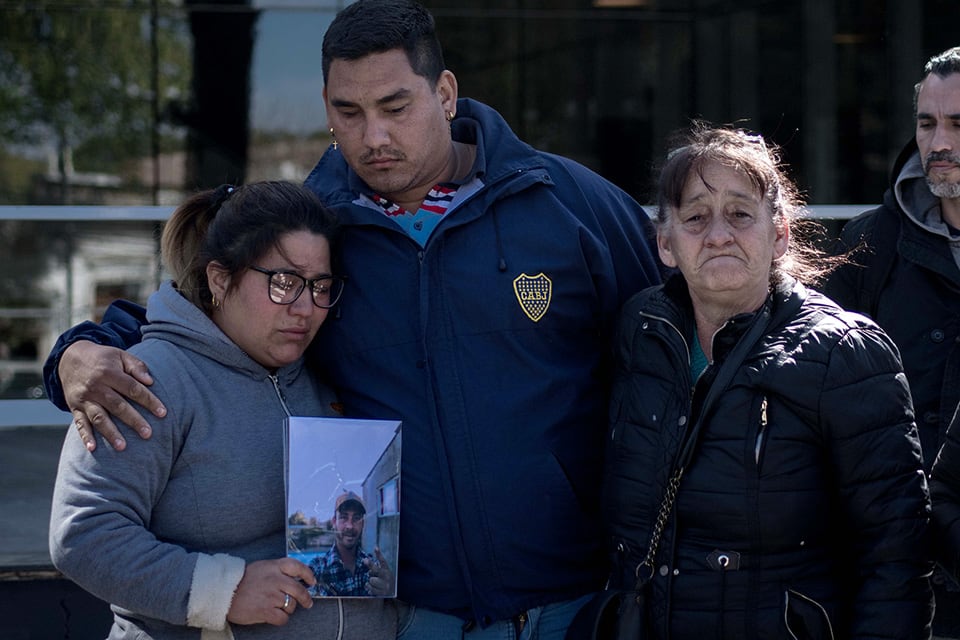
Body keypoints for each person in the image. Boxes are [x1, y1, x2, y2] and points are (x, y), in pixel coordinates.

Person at [41, 0, 663, 637]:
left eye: (395, 108)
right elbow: (204, 309)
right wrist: (76, 352)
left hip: (576, 602)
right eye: (348, 113)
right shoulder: (315, 223)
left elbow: (674, 337)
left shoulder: (571, 204)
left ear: (444, 93)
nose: (373, 138)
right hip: (416, 616)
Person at [602, 124, 932, 638]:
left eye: (740, 214)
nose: (718, 235)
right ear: (665, 243)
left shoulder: (845, 354)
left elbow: (895, 560)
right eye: (695, 218)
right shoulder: (639, 331)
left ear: (778, 233)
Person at [48, 181, 397, 639]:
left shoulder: (329, 367)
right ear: (219, 279)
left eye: (320, 286)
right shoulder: (145, 378)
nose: (305, 308)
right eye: (284, 283)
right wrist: (223, 590)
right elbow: (84, 533)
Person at [820, 45, 960, 636]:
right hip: (893, 569)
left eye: (958, 124)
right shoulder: (867, 246)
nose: (939, 142)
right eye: (927, 123)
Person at [310, 491, 394, 598]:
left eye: (356, 518)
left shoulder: (374, 568)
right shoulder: (317, 568)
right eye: (344, 517)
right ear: (334, 522)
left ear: (363, 524)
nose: (350, 526)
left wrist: (390, 592)